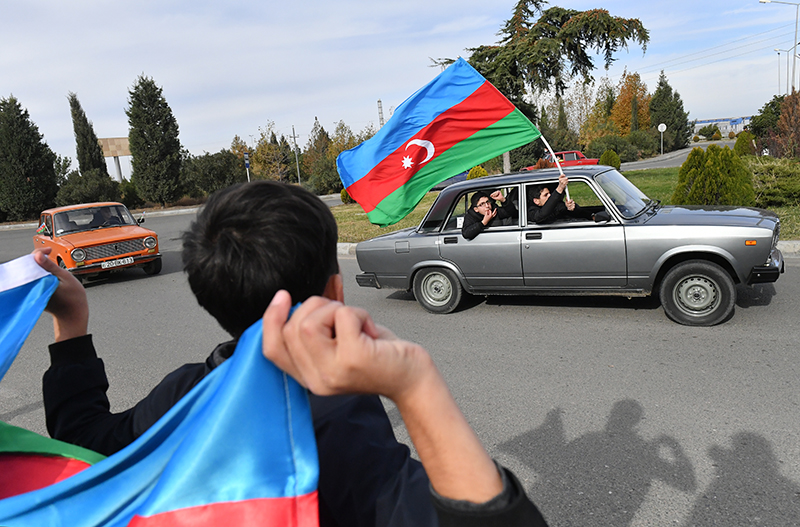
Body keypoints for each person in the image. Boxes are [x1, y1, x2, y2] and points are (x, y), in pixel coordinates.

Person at [36, 181, 548, 527]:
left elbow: (85, 443)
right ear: (336, 290)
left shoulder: (186, 392)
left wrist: (72, 321)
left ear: (209, 295)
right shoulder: (335, 413)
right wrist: (414, 383)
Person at [527, 175, 594, 225]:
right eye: (546, 195)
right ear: (536, 201)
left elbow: (578, 212)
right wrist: (559, 189)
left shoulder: (557, 206)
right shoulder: (531, 211)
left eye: (550, 193)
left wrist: (571, 208)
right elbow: (541, 216)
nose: (550, 195)